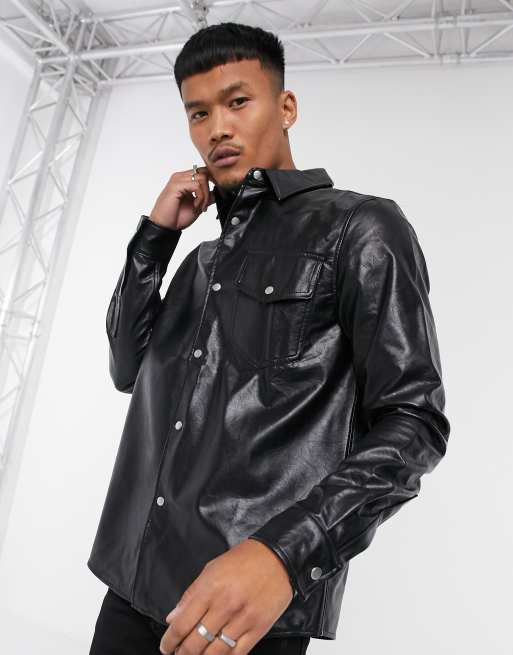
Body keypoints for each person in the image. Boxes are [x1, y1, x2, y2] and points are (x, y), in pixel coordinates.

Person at [87, 21, 450, 655]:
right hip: (133, 587)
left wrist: (285, 555)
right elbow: (126, 368)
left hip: (243, 609)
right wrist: (155, 238)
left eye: (237, 101)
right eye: (199, 113)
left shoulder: (360, 228)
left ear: (286, 108)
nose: (217, 128)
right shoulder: (199, 263)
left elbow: (414, 421)